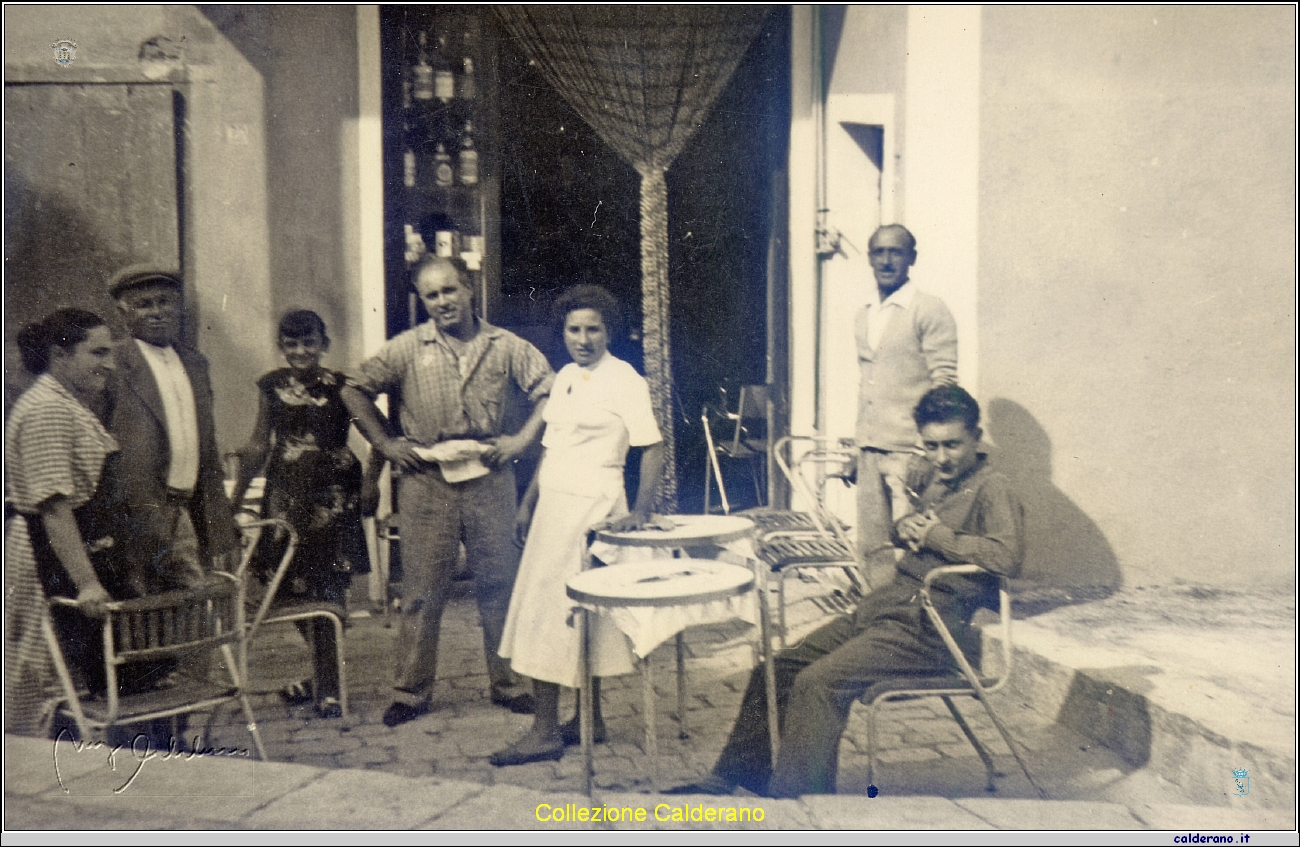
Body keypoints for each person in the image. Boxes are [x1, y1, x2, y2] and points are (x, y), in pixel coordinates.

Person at [667, 385, 1023, 798]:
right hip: (886, 613)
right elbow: (923, 536)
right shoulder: (940, 480)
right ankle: (732, 776)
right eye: (931, 446)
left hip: (933, 631)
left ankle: (802, 804)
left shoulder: (994, 488)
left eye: (953, 445)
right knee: (779, 667)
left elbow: (1007, 557)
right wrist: (905, 530)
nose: (941, 457)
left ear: (977, 439)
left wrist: (937, 535)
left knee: (819, 683)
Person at [342, 255, 554, 727]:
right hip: (425, 483)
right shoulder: (406, 348)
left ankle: (509, 684)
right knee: (421, 591)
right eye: (431, 295)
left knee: (499, 584)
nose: (443, 302)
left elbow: (550, 392)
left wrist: (520, 441)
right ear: (422, 301)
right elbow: (353, 389)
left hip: (489, 478)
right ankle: (411, 692)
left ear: (470, 288)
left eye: (450, 291)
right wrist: (384, 442)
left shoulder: (506, 346)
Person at [490, 285, 666, 766]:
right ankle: (589, 722)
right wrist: (528, 503)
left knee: (560, 616)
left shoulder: (626, 379)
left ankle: (544, 732)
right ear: (562, 332)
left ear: (609, 332)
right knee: (552, 612)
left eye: (593, 329)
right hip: (553, 509)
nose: (583, 339)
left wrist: (642, 511)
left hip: (593, 507)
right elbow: (553, 447)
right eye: (574, 329)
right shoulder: (565, 376)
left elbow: (651, 446)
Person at [231, 310, 370, 719]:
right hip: (287, 496)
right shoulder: (271, 385)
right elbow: (257, 444)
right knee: (287, 589)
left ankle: (328, 688)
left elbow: (378, 434)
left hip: (331, 499)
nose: (301, 351)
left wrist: (372, 482)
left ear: (324, 343)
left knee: (327, 591)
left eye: (309, 342)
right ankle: (324, 675)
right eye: (291, 344)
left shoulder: (342, 386)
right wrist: (237, 499)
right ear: (281, 346)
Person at [5, 309, 120, 735]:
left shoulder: (64, 402)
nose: (109, 363)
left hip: (59, 549)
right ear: (60, 354)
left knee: (60, 676)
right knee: (45, 678)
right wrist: (87, 581)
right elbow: (53, 507)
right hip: (44, 554)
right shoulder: (47, 409)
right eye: (98, 352)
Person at [106, 265, 238, 595]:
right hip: (139, 514)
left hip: (192, 508)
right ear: (124, 312)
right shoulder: (112, 363)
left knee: (195, 607)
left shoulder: (195, 362)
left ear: (177, 306)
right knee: (150, 613)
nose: (156, 312)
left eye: (164, 302)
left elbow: (207, 444)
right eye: (144, 304)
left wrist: (220, 519)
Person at [854, 224, 958, 589]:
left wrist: (922, 449)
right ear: (869, 258)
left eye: (895, 252)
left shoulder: (929, 309)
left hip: (907, 453)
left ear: (911, 258)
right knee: (872, 548)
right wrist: (859, 447)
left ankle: (916, 626)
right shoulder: (865, 314)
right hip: (870, 451)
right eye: (879, 252)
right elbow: (868, 385)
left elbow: (944, 385)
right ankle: (877, 619)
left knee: (914, 543)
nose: (886, 260)